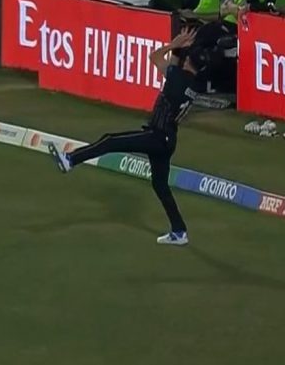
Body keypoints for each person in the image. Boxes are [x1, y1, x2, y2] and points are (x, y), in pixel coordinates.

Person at [48, 28, 208, 246]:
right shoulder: (192, 84)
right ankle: (179, 231)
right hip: (168, 139)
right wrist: (179, 48)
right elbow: (173, 64)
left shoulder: (178, 77)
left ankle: (70, 160)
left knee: (110, 141)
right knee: (160, 185)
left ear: (188, 60)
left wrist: (173, 45)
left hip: (157, 136)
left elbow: (154, 57)